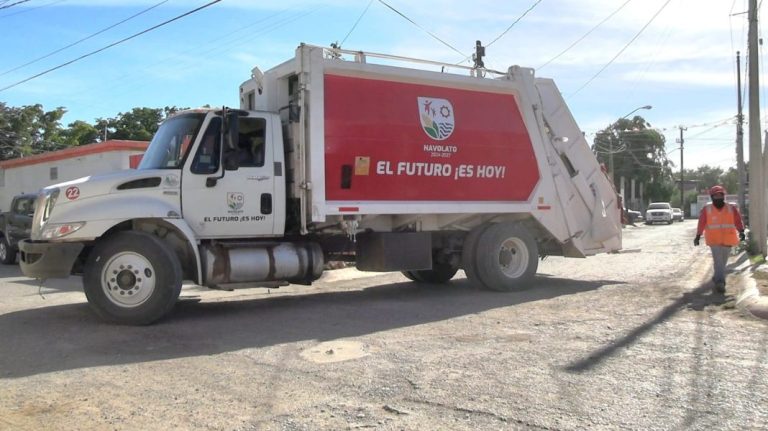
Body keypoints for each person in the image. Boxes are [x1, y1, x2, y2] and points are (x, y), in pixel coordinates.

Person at [693, 185, 745, 293]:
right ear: (712, 197)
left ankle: (716, 277)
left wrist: (741, 231)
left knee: (723, 262)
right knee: (718, 260)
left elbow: (738, 220)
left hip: (728, 238)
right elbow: (701, 223)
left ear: (723, 196)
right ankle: (720, 282)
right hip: (714, 239)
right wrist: (698, 235)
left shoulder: (731, 208)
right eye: (715, 196)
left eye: (720, 195)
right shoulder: (707, 209)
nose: (718, 198)